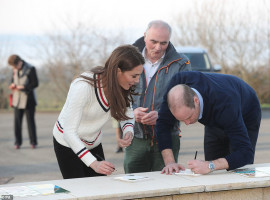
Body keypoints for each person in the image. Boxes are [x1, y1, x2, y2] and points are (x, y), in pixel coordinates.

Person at [53, 45, 145, 179]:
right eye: (134, 76)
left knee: (99, 187)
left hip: (93, 142)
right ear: (118, 71)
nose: (137, 81)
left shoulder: (121, 86)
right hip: (67, 143)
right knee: (80, 191)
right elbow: (69, 132)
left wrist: (128, 131)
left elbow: (128, 113)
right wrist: (94, 164)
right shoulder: (83, 87)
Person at [156, 71, 261, 175]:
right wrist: (170, 163)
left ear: (196, 100)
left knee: (239, 167)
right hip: (214, 109)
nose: (187, 123)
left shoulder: (225, 105)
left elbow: (245, 153)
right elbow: (163, 124)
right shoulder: (176, 87)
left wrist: (210, 165)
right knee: (212, 168)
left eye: (189, 117)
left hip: (246, 110)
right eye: (182, 120)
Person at [123, 20, 191, 173]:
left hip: (168, 136)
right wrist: (131, 113)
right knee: (134, 186)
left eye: (164, 43)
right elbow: (116, 95)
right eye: (153, 41)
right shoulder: (125, 60)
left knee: (165, 187)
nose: (158, 47)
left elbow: (186, 101)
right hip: (135, 137)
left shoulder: (182, 63)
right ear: (145, 36)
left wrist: (162, 115)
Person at [8, 55, 39, 149]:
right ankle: (17, 142)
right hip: (17, 99)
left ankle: (33, 142)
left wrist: (24, 87)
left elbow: (35, 83)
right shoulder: (14, 69)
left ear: (19, 62)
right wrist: (12, 85)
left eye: (15, 66)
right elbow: (12, 81)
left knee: (30, 122)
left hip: (29, 99)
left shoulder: (31, 68)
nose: (14, 68)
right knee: (17, 122)